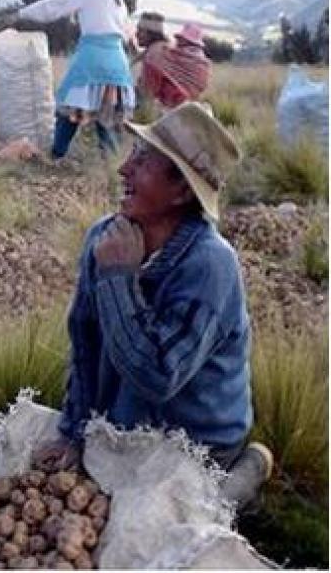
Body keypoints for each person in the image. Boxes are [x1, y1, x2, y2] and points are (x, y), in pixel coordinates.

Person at [34, 102, 273, 507]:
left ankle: (243, 473)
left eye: (142, 162)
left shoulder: (209, 265)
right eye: (132, 154)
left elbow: (158, 377)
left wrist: (118, 280)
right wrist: (74, 432)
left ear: (182, 190)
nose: (124, 169)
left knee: (175, 534)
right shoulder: (104, 238)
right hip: (126, 428)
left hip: (195, 441)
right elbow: (86, 344)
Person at [14, 0, 135, 159]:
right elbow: (127, 33)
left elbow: (54, 6)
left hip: (93, 58)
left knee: (73, 108)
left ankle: (56, 155)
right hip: (117, 62)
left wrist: (22, 13)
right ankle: (111, 166)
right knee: (107, 116)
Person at [138, 22, 212, 109]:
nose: (178, 41)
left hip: (171, 104)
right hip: (191, 104)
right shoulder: (204, 63)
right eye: (179, 38)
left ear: (189, 40)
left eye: (181, 38)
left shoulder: (175, 54)